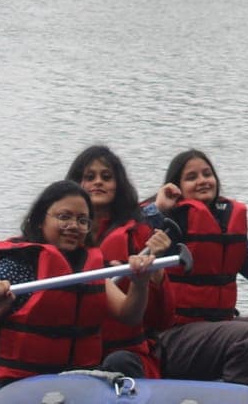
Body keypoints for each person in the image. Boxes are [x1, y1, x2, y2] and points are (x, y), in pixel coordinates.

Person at [0, 180, 160, 399]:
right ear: (40, 220)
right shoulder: (17, 266)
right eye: (64, 217)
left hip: (76, 388)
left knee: (120, 363)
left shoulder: (88, 268)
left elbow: (129, 315)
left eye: (82, 220)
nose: (74, 226)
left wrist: (139, 284)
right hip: (17, 390)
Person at [143, 148, 248, 388]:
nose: (202, 181)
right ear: (176, 187)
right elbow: (136, 228)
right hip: (172, 337)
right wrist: (158, 209)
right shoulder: (168, 223)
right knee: (246, 337)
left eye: (207, 174)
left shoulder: (225, 229)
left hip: (217, 329)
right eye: (192, 177)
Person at [67, 144, 173, 378]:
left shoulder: (140, 235)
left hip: (127, 353)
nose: (98, 182)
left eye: (106, 177)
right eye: (89, 177)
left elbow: (161, 319)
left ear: (118, 185)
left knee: (118, 361)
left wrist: (155, 275)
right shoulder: (64, 238)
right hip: (78, 353)